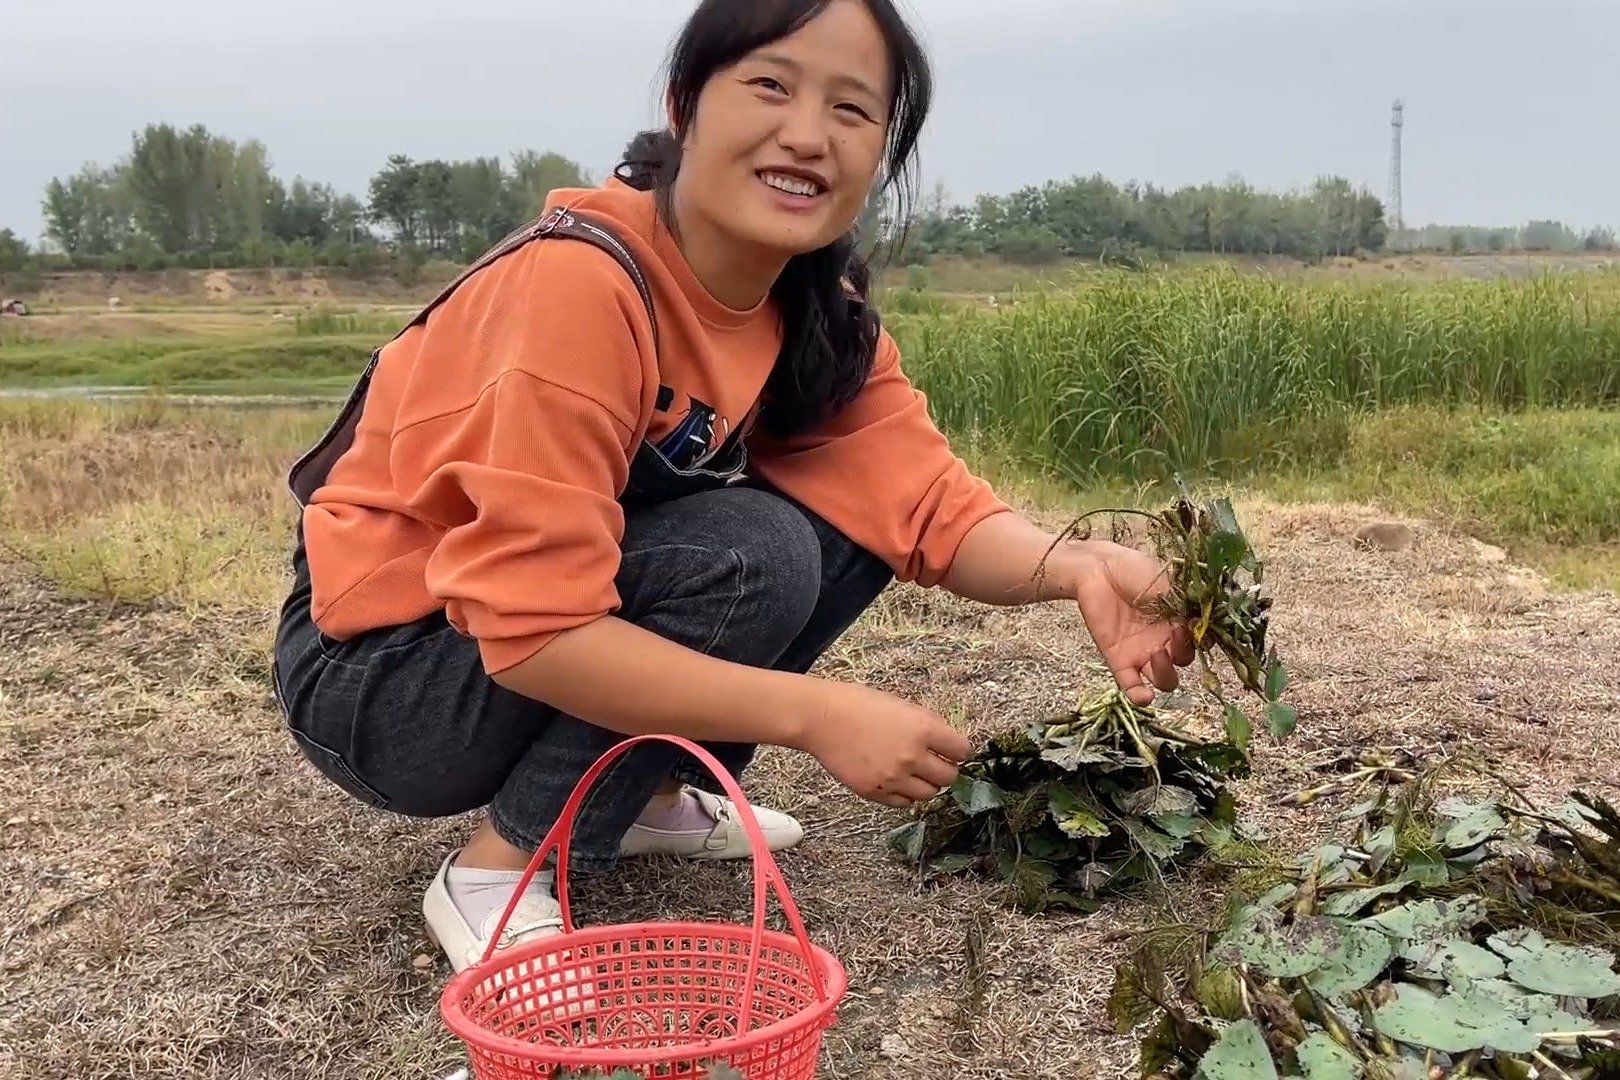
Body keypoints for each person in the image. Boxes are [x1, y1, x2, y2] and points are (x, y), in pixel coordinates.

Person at [271, 0, 1195, 973]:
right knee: (754, 553)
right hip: (384, 684)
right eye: (770, 86)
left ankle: (642, 790)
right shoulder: (581, 284)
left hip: (490, 650)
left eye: (851, 110)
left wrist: (1084, 566)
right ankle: (500, 870)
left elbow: (926, 508)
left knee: (840, 528)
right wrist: (816, 715)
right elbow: (535, 629)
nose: (807, 134)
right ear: (684, 105)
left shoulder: (813, 320)